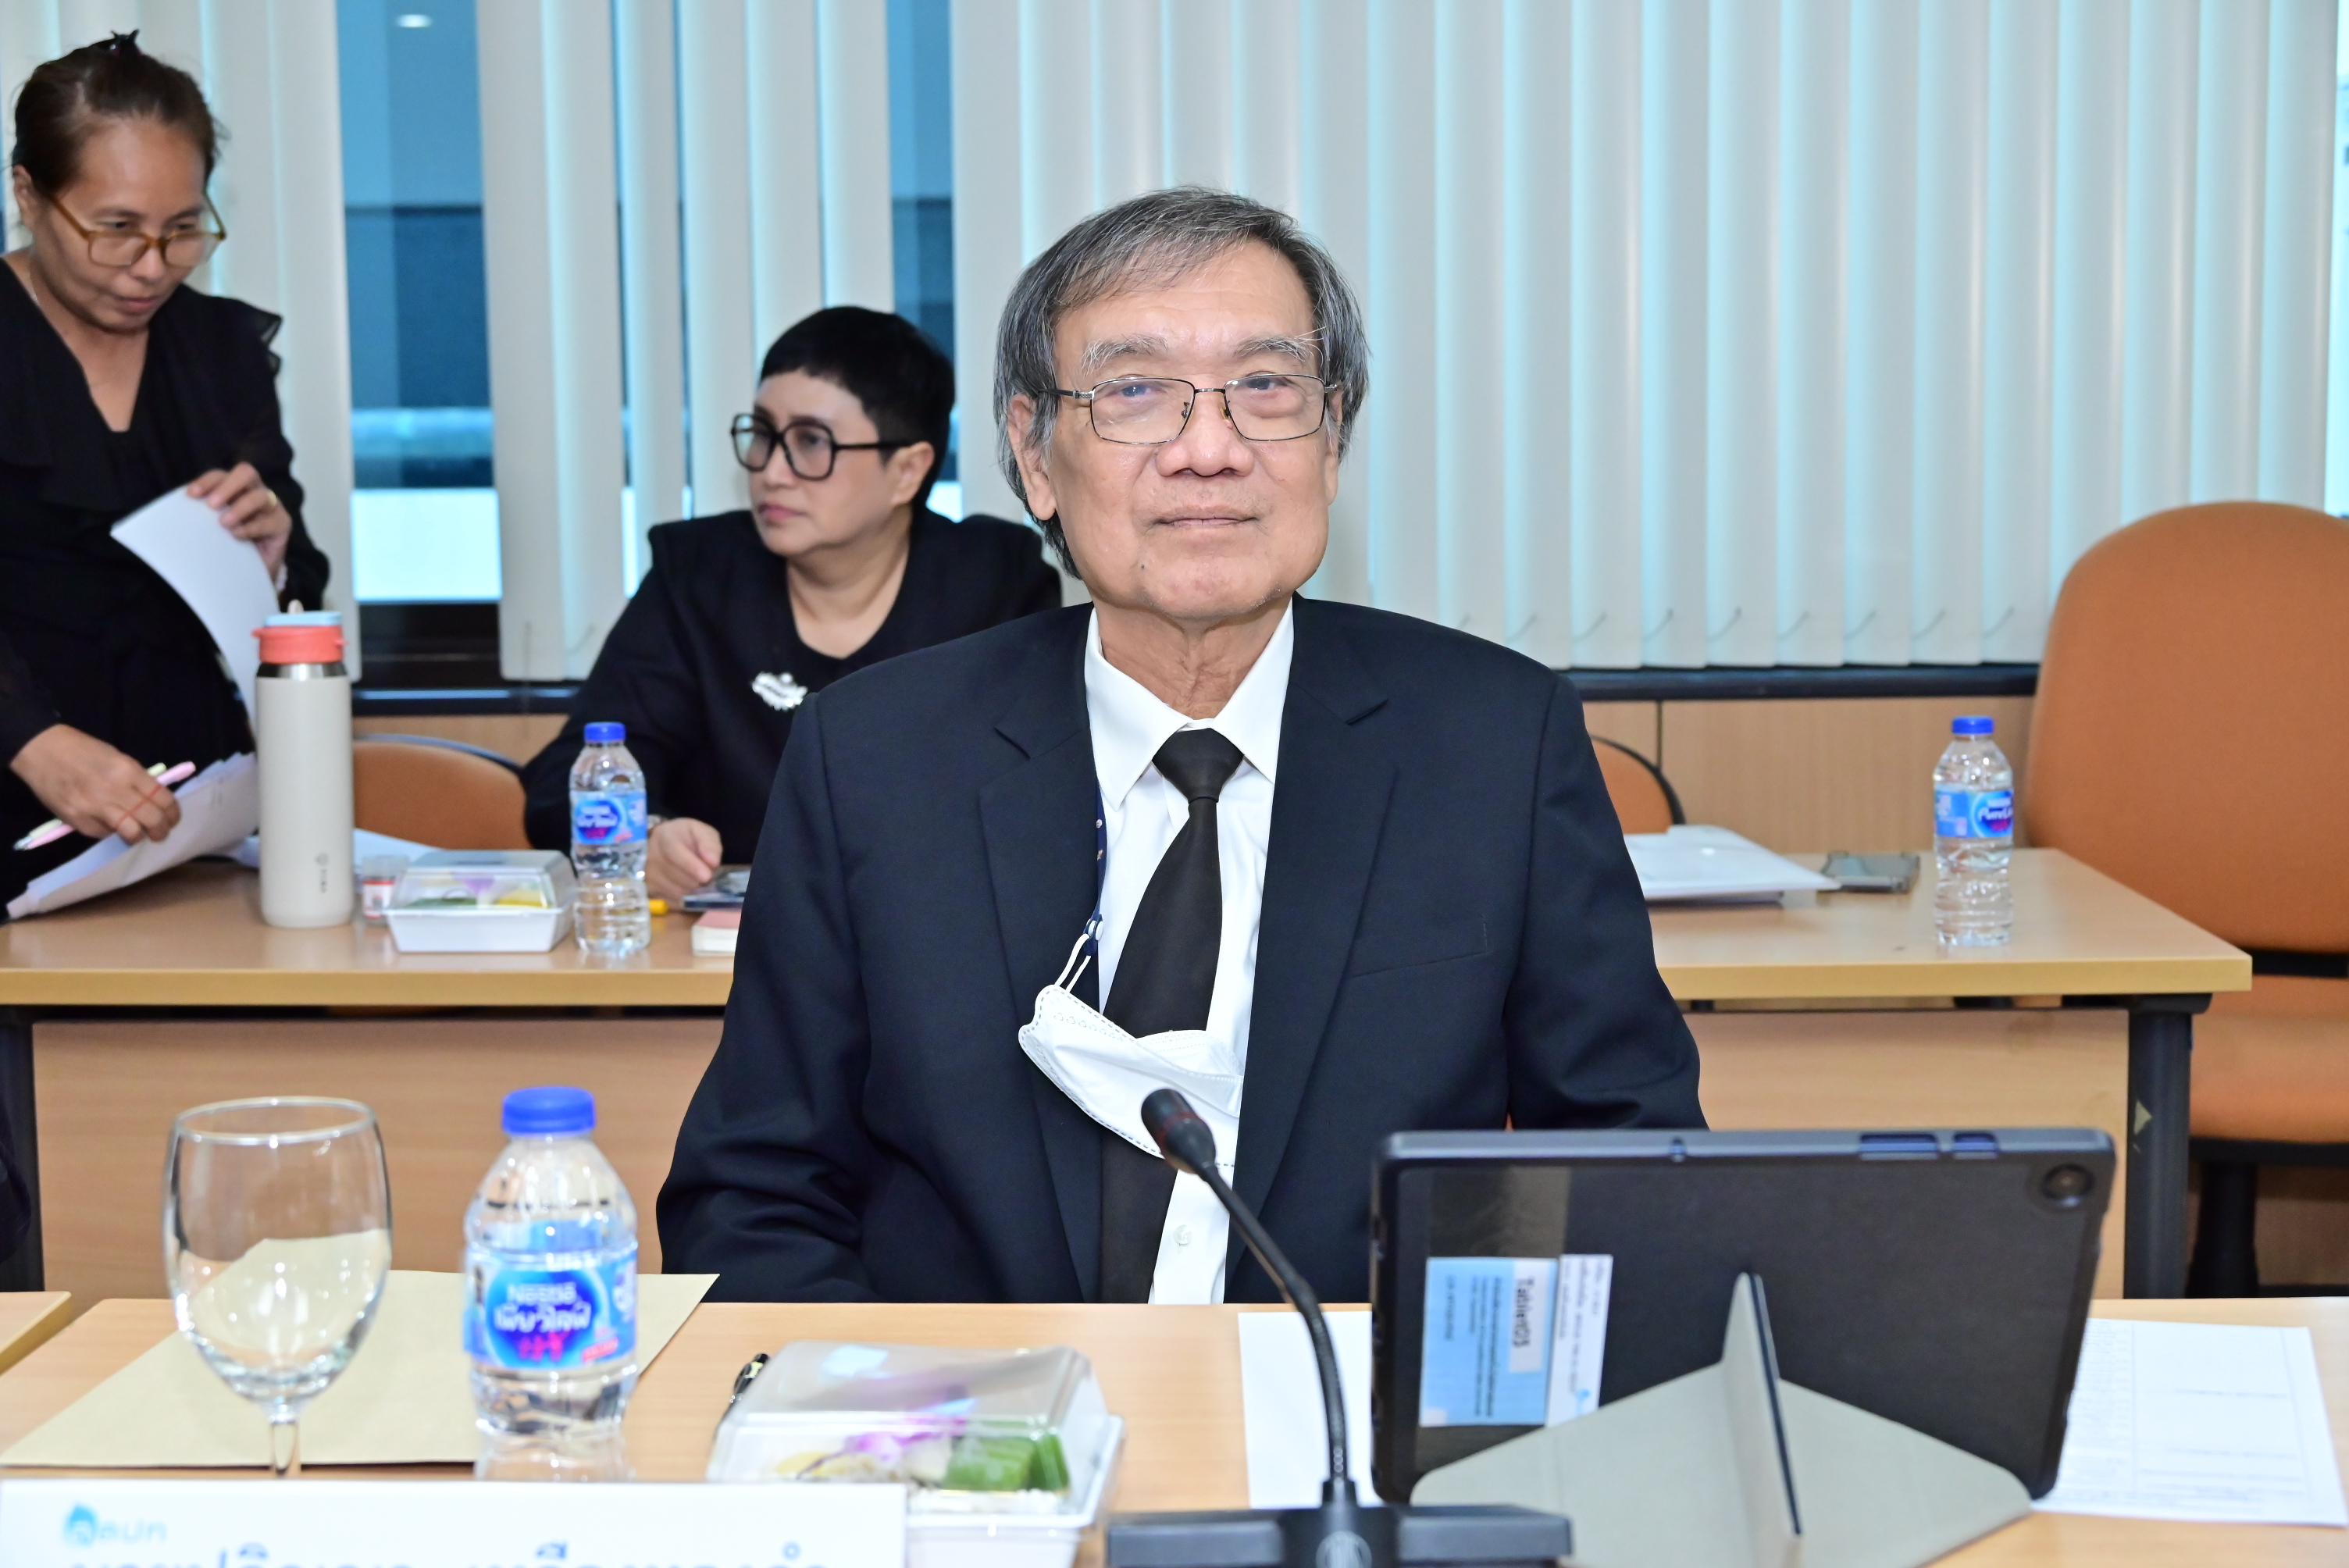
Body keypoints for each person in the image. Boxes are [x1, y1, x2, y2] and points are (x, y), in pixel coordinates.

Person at [659, 188, 1703, 1306]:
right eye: (1134, 392)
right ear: (1034, 455)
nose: (1209, 449)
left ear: (1332, 440)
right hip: (973, 1400)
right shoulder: (873, 758)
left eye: (1265, 387)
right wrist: (900, 1404)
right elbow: (754, 1193)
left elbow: (1625, 1165)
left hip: (1345, 1392)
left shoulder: (1495, 744)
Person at [521, 307, 1060, 902]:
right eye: (762, 434)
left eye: (810, 442)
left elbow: (1043, 799)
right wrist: (646, 837)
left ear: (907, 471)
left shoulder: (993, 584)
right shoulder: (698, 576)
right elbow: (572, 776)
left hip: (933, 928)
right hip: (727, 944)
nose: (773, 472)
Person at [2, 33, 328, 914]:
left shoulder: (216, 352)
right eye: (116, 230)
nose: (152, 268)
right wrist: (30, 740)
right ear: (28, 195)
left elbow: (298, 588)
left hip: (188, 820)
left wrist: (271, 556)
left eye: (182, 229)